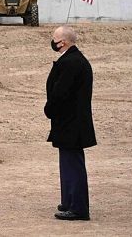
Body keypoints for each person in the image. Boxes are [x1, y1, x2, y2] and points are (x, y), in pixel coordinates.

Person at [45, 25, 97, 222]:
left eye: (55, 38)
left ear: (63, 42)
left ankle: (78, 208)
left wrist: (49, 109)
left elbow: (61, 93)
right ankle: (69, 201)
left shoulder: (72, 62)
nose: (53, 41)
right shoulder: (73, 59)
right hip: (70, 123)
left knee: (72, 166)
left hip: (71, 124)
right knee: (67, 164)